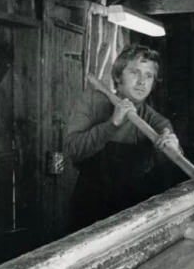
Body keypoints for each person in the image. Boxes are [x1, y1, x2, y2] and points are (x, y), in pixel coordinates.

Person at [64, 44, 185, 232]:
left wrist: (174, 150)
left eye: (148, 76)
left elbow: (171, 170)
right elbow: (72, 150)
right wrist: (112, 124)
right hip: (89, 211)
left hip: (134, 214)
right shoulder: (91, 101)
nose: (141, 82)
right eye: (134, 73)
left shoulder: (156, 121)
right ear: (118, 76)